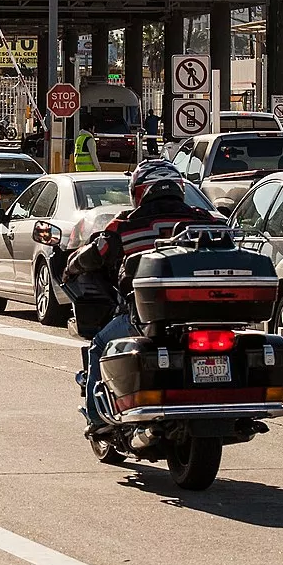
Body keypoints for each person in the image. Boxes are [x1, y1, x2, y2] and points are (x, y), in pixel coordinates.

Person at [63, 158, 221, 429]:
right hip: (206, 316)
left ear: (139, 192)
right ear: (179, 188)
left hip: (148, 318)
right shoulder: (204, 219)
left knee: (98, 347)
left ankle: (97, 421)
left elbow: (96, 254)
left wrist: (72, 265)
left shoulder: (127, 223)